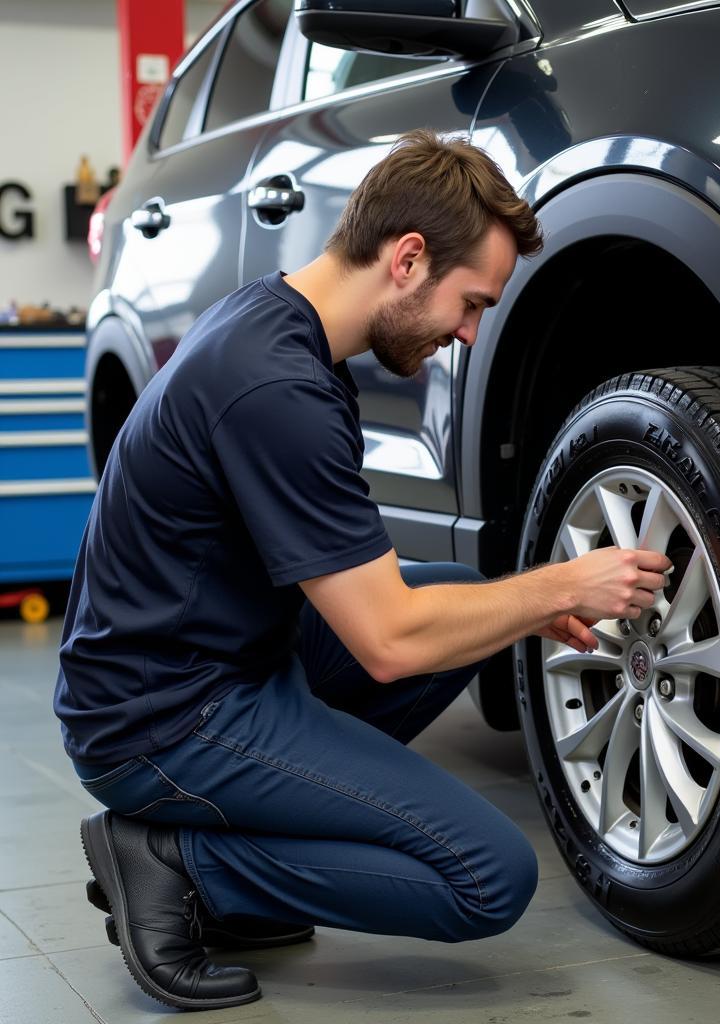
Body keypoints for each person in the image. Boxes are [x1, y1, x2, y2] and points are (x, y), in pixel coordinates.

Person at [55, 130, 672, 1012]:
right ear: (409, 258)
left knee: (461, 597)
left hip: (206, 662)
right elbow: (385, 643)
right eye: (470, 304)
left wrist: (519, 613)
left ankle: (225, 841)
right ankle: (174, 863)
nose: (468, 334)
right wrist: (559, 587)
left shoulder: (280, 330)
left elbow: (368, 593)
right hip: (159, 721)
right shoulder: (277, 387)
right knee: (488, 879)